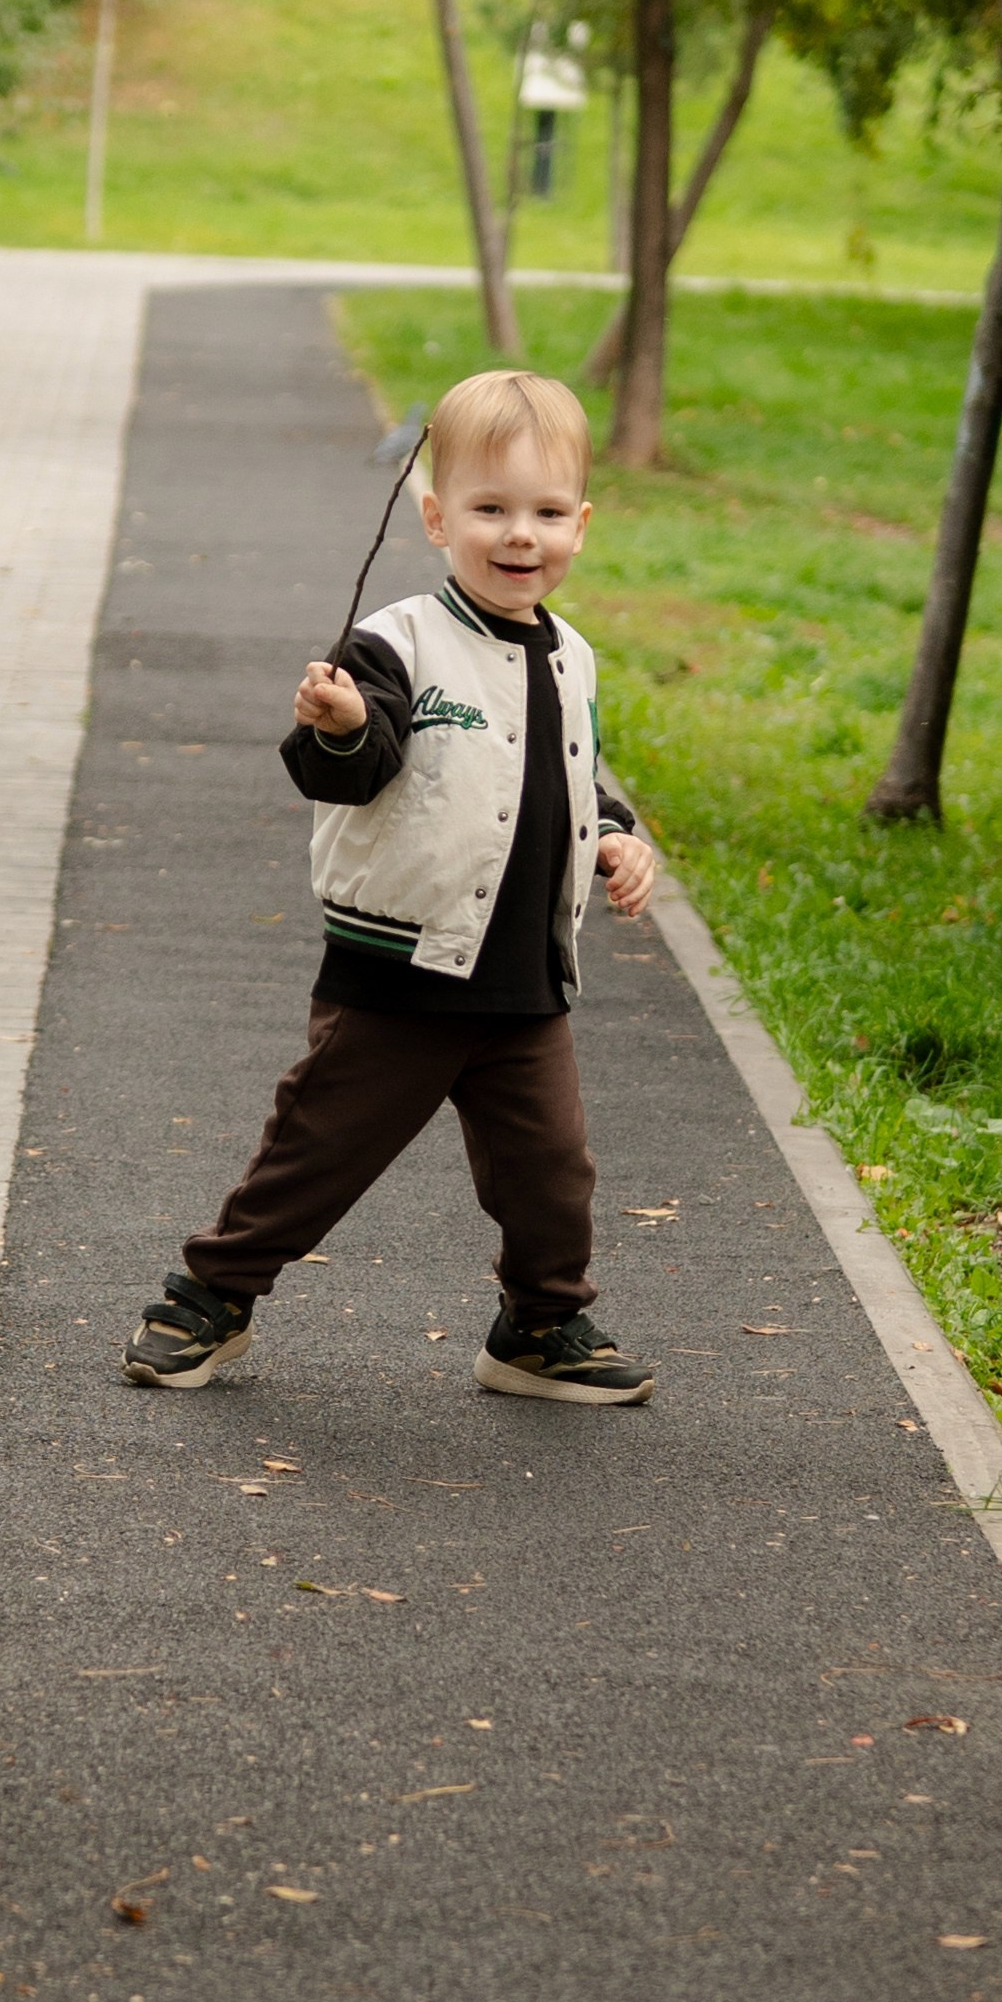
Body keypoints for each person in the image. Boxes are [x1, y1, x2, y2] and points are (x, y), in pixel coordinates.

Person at [119, 365, 661, 1404]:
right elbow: (352, 769)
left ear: (581, 525)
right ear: (434, 515)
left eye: (546, 513)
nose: (519, 536)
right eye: (490, 509)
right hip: (400, 977)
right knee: (316, 1151)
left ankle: (539, 1325)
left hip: (522, 987)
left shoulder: (571, 657)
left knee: (552, 1175)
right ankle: (210, 1294)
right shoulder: (397, 643)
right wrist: (344, 724)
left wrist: (617, 837)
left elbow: (571, 776)